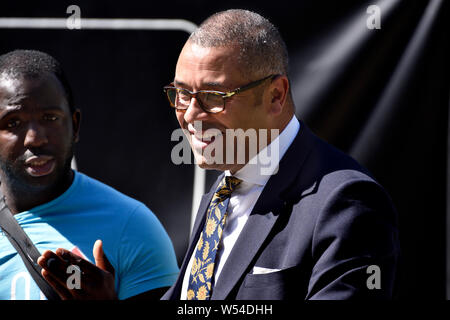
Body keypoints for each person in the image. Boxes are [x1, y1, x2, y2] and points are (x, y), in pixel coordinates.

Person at [39, 9, 400, 300]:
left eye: (214, 97)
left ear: (276, 95)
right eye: (181, 94)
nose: (191, 114)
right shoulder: (225, 188)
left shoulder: (345, 202)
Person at [0, 50, 179, 300]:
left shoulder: (132, 227)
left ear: (75, 125)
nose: (35, 138)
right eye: (13, 123)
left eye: (50, 118)